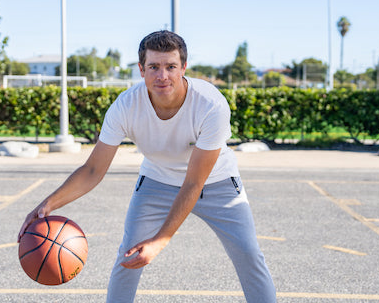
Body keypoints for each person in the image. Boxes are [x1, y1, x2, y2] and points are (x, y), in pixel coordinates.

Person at [18, 30, 276, 302]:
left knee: (249, 254)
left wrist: (160, 240)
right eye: (153, 67)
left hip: (217, 183)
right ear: (141, 70)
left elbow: (193, 182)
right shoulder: (126, 106)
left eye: (170, 67)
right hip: (157, 181)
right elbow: (93, 170)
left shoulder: (211, 105)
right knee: (127, 256)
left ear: (183, 68)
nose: (162, 75)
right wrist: (48, 204)